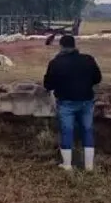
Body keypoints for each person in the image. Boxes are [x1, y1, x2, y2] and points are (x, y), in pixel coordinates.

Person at [43, 35, 102, 171]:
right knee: (87, 130)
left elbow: (48, 84)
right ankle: (89, 165)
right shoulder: (88, 59)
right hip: (86, 101)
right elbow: (97, 78)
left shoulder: (56, 62)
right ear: (75, 45)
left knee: (67, 131)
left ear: (61, 46)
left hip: (66, 102)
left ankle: (67, 164)